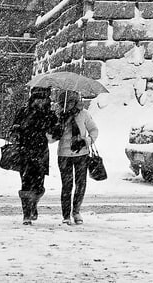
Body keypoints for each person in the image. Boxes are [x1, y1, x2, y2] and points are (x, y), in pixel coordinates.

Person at [10, 87, 59, 225]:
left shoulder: (49, 114)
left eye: (42, 98)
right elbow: (14, 127)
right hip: (25, 151)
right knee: (25, 184)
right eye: (37, 98)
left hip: (41, 152)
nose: (40, 101)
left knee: (39, 186)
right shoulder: (23, 112)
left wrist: (56, 128)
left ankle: (33, 204)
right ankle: (26, 213)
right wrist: (16, 131)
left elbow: (55, 134)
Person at [53, 90, 99, 225]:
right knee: (66, 185)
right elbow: (51, 138)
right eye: (66, 103)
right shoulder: (58, 115)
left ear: (76, 102)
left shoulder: (84, 114)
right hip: (64, 155)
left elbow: (94, 130)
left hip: (81, 153)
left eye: (72, 102)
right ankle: (66, 214)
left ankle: (76, 211)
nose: (69, 105)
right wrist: (56, 129)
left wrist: (86, 140)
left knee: (81, 184)